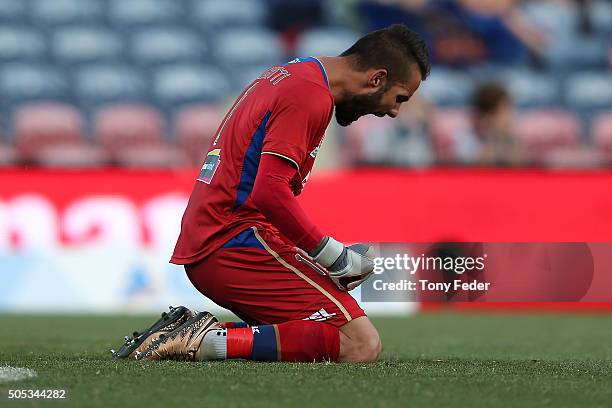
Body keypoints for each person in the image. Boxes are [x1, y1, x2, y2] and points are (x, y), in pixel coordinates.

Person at [116, 24, 430, 363]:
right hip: (234, 239)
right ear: (376, 79)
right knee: (358, 343)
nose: (394, 111)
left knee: (310, 331)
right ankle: (199, 341)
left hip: (218, 235)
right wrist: (333, 257)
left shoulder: (298, 73)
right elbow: (269, 191)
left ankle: (186, 332)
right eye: (399, 98)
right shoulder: (309, 94)